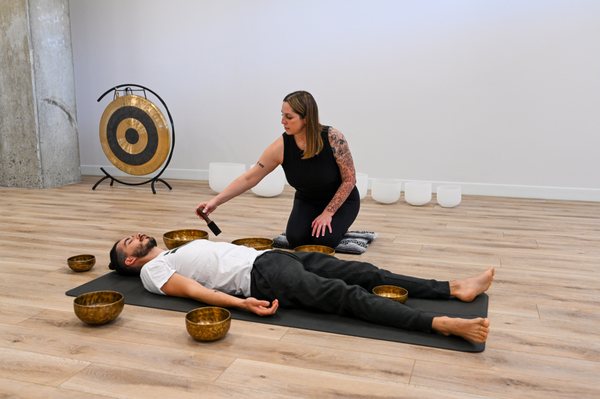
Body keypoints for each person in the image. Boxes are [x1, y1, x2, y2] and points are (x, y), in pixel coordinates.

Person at [109, 233, 493, 344]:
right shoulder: (153, 271)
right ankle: (438, 323)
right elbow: (193, 291)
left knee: (365, 272)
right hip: (263, 279)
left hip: (271, 258)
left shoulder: (173, 248)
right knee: (348, 297)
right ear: (130, 261)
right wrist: (242, 305)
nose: (135, 236)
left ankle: (452, 287)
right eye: (128, 242)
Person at [196, 90, 360, 249]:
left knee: (323, 242)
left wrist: (328, 213)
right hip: (307, 200)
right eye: (282, 115)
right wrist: (215, 202)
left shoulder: (333, 138)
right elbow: (249, 178)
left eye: (289, 117)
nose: (283, 121)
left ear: (307, 118)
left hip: (342, 200)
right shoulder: (280, 147)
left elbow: (350, 179)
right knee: (296, 240)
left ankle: (338, 225)